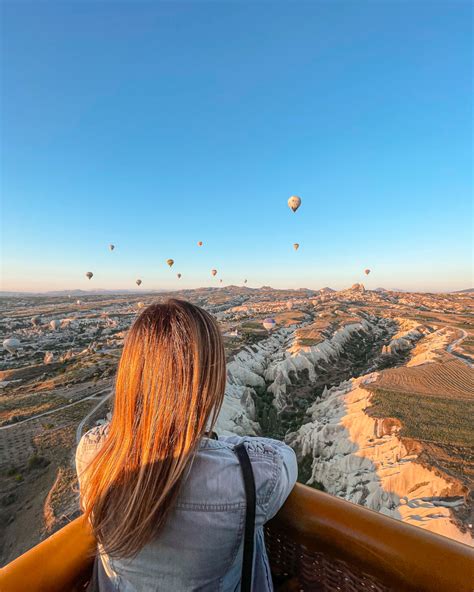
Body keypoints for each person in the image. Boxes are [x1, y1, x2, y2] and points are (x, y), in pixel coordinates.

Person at [76, 299, 297, 591]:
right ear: (209, 381)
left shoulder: (94, 452)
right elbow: (285, 455)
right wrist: (215, 442)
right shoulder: (250, 476)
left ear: (131, 374)